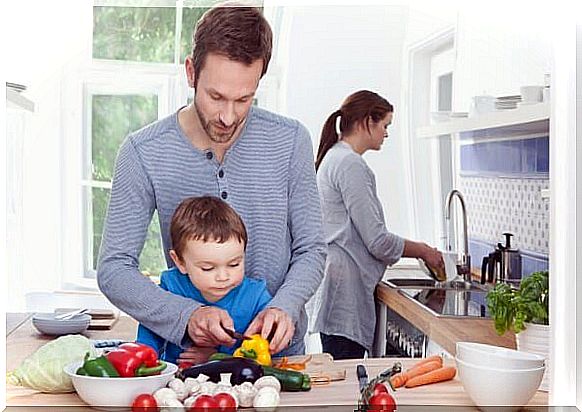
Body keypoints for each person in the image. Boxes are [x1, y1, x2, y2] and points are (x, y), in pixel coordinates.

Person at [97, 4, 325, 359]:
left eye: (244, 99)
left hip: (279, 360)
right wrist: (187, 316)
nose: (228, 116)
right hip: (189, 361)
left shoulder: (291, 140)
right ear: (191, 72)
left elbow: (312, 249)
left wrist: (285, 305)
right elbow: (114, 269)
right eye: (215, 96)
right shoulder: (143, 152)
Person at [310, 90, 444, 360]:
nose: (386, 133)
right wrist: (424, 250)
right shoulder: (350, 164)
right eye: (385, 125)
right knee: (348, 384)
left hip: (337, 283)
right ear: (366, 122)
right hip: (344, 288)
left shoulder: (335, 157)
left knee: (342, 376)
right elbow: (377, 240)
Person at [136, 196, 272, 365]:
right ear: (179, 262)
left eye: (234, 264)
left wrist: (216, 359)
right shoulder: (171, 286)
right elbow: (150, 331)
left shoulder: (256, 296)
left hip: (236, 385)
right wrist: (143, 361)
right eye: (208, 268)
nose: (223, 277)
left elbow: (262, 353)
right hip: (175, 382)